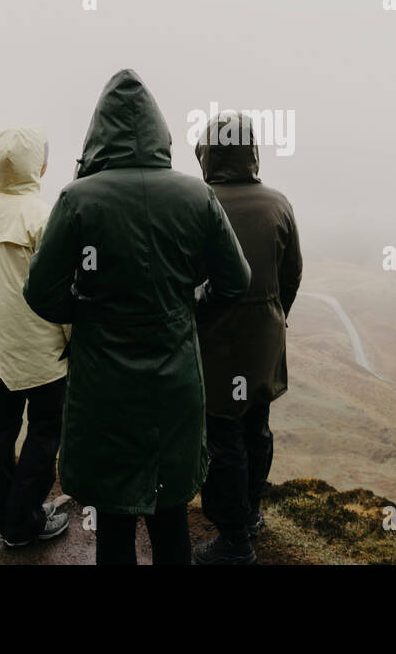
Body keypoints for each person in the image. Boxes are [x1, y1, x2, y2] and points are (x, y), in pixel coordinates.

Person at [24, 70, 251, 565]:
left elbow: (39, 290)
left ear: (97, 133)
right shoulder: (196, 196)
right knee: (170, 514)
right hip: (174, 383)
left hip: (103, 386)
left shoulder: (77, 199)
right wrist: (189, 312)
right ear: (158, 132)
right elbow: (236, 280)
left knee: (113, 519)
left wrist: (83, 313)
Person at [191, 111, 302, 564]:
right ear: (251, 151)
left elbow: (189, 279)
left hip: (216, 345)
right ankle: (252, 514)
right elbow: (291, 275)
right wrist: (273, 317)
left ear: (209, 153)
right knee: (257, 428)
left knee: (222, 437)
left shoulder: (199, 204)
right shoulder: (279, 204)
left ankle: (234, 539)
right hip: (265, 343)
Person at [0, 125, 71, 547]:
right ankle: (22, 521)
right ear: (38, 166)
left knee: (2, 430)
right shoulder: (45, 218)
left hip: (0, 350)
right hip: (43, 352)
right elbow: (60, 290)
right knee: (45, 433)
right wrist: (71, 339)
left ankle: (5, 511)